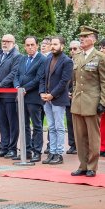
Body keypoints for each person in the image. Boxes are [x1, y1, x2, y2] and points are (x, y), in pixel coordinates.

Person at [71, 26, 105, 177]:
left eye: (85, 36)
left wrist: (103, 102)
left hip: (92, 102)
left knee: (93, 136)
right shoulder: (77, 56)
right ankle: (83, 164)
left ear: (93, 39)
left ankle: (92, 166)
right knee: (79, 136)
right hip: (78, 101)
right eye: (80, 36)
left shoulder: (100, 57)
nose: (81, 38)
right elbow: (75, 81)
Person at [39, 36, 73, 165]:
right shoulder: (48, 59)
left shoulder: (67, 61)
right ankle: (52, 152)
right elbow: (42, 77)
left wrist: (52, 95)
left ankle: (59, 153)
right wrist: (42, 92)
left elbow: (64, 81)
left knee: (59, 127)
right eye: (51, 44)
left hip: (58, 99)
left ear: (62, 46)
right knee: (51, 127)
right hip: (46, 99)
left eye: (55, 44)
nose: (53, 46)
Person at [13, 36, 46, 162]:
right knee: (24, 125)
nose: (30, 47)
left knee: (37, 125)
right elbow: (16, 75)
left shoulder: (42, 59)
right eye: (28, 45)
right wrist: (17, 86)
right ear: (24, 46)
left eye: (32, 44)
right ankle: (26, 151)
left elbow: (38, 78)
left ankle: (37, 151)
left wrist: (24, 89)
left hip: (33, 97)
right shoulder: (22, 58)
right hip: (20, 98)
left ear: (37, 45)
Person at [0, 34, 21, 158]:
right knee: (2, 122)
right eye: (3, 41)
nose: (5, 43)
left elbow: (14, 73)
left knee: (12, 122)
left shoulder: (17, 56)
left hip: (10, 95)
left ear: (13, 43)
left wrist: (1, 84)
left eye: (8, 41)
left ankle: (12, 148)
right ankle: (4, 146)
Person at [66, 40, 81, 155]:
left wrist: (74, 92)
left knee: (80, 123)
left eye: (75, 49)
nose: (72, 51)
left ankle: (81, 144)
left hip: (80, 97)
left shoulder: (83, 61)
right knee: (70, 121)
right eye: (70, 49)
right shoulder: (67, 62)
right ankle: (72, 145)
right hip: (68, 97)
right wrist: (66, 92)